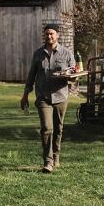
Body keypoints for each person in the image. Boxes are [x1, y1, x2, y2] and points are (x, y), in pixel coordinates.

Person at [21, 23, 75, 173]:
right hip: (43, 96)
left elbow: (74, 74)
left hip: (60, 96)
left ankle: (56, 156)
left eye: (52, 33)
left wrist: (71, 77)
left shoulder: (67, 53)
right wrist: (25, 94)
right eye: (47, 34)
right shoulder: (38, 54)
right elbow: (31, 75)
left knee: (58, 128)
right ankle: (48, 161)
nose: (49, 36)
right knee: (46, 128)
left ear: (57, 35)